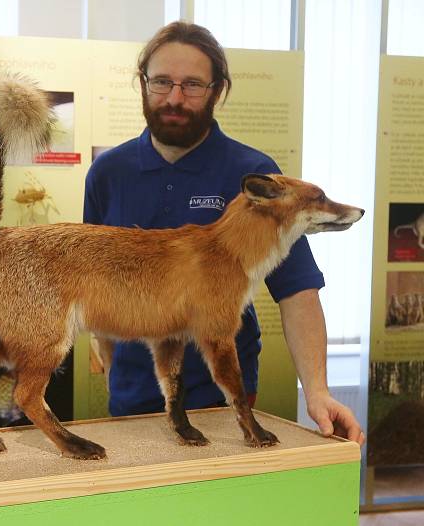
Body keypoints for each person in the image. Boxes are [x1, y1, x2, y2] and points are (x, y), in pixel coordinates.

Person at [83, 21, 365, 445]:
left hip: (222, 395)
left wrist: (319, 391)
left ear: (218, 90)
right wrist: (108, 365)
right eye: (162, 82)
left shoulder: (251, 173)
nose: (174, 98)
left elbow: (298, 291)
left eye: (193, 85)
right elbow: (95, 279)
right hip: (133, 395)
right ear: (143, 83)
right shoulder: (108, 173)